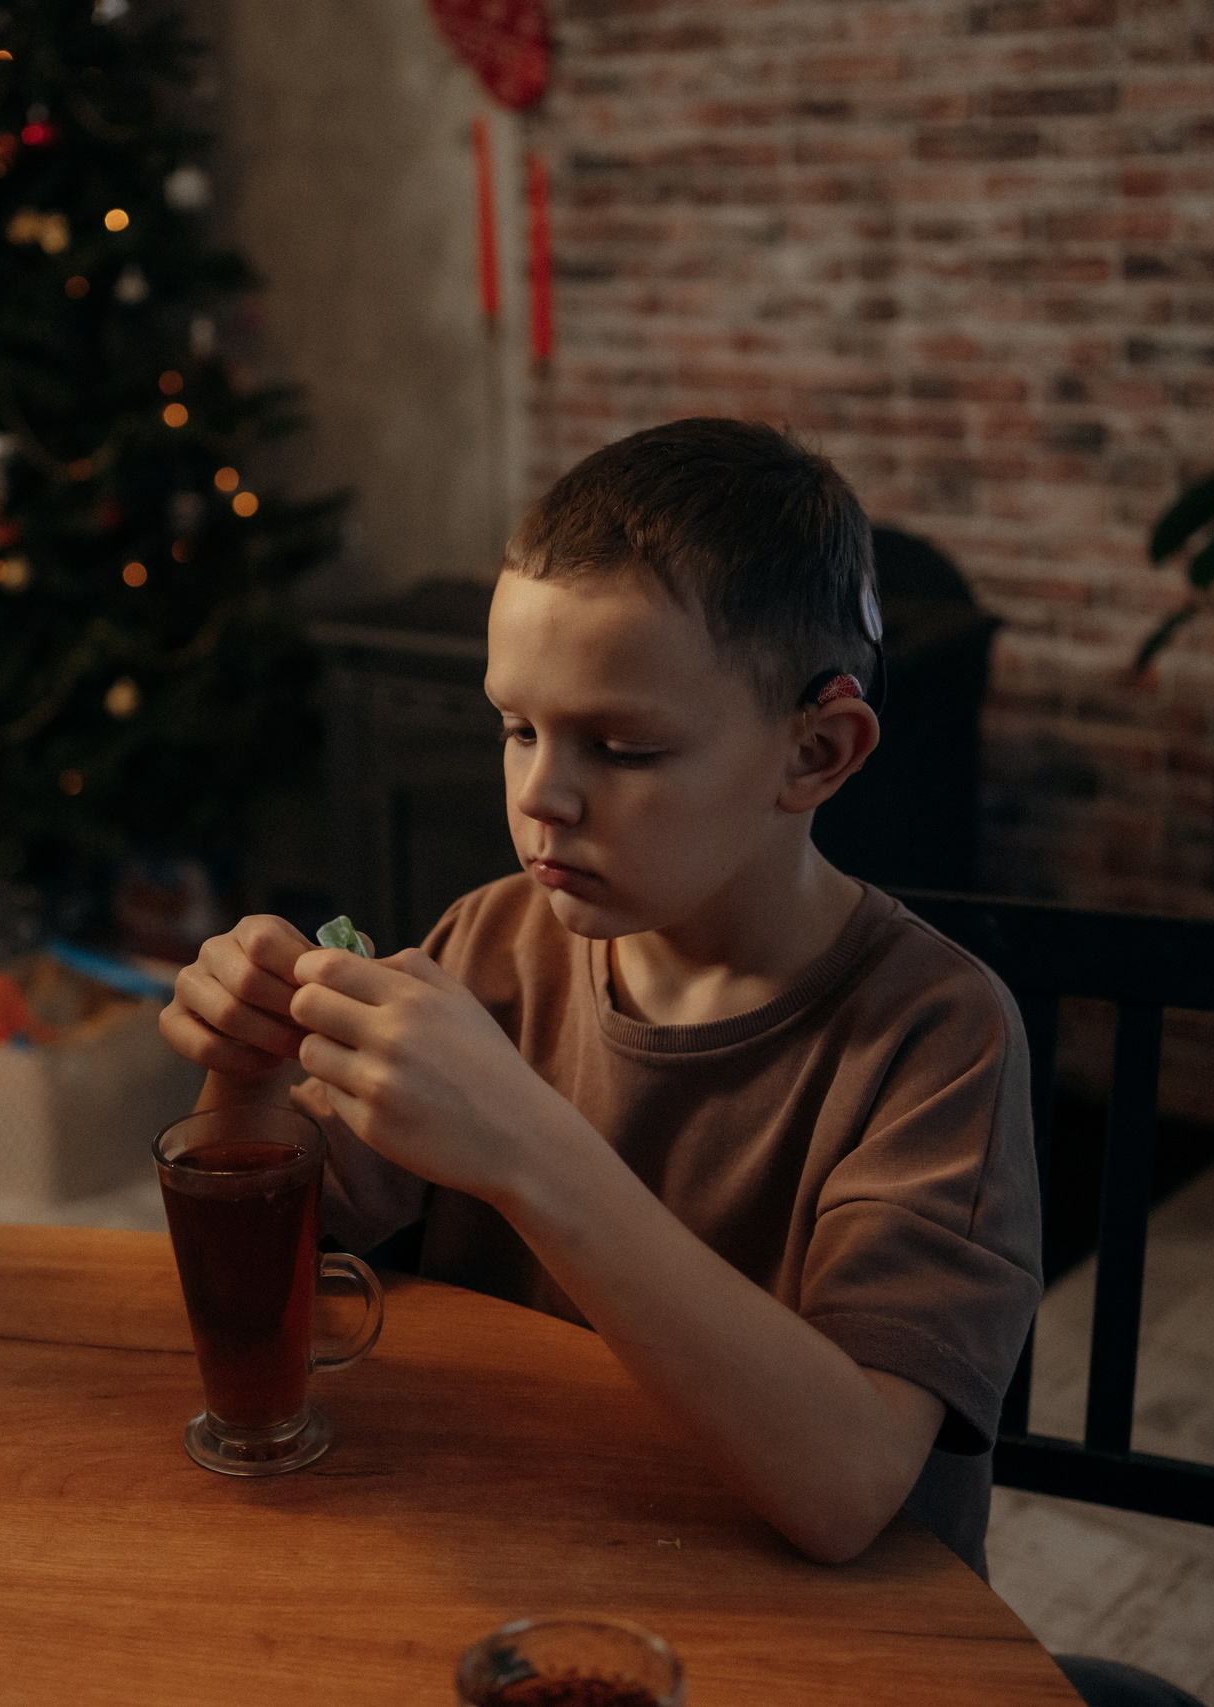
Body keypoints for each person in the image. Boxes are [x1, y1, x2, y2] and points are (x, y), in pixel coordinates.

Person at [161, 418, 1042, 1573]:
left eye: (620, 749)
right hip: (537, 1559)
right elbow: (281, 1290)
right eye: (517, 730)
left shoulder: (936, 1034)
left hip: (813, 1636)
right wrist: (247, 1067)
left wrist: (529, 1147)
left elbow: (846, 1486)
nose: (542, 798)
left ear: (816, 753)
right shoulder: (491, 939)